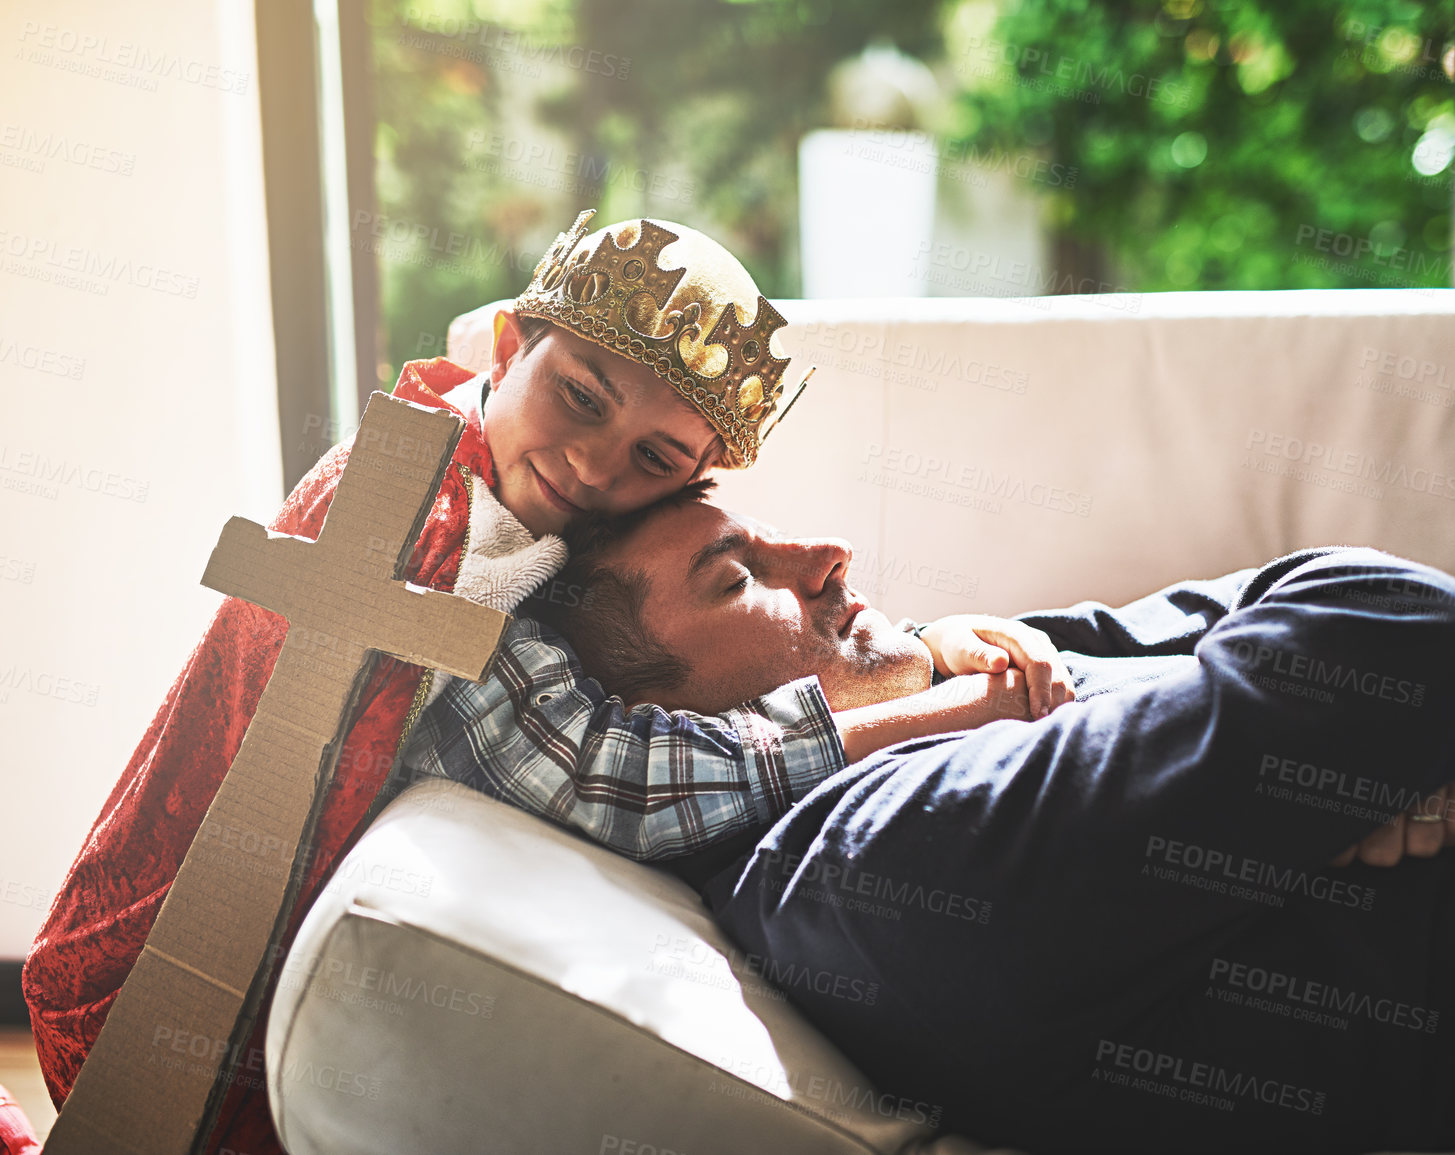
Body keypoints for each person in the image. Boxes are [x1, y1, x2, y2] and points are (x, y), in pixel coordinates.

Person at [9, 211, 1024, 1155]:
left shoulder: (536, 522)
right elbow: (593, 769)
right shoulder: (430, 526)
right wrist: (915, 713)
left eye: (657, 456)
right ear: (507, 344)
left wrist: (914, 649)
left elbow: (719, 663)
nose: (592, 463)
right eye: (580, 396)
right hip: (155, 982)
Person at [423, 491, 1455, 1154]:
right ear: (663, 725)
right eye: (737, 573)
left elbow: (1299, 611)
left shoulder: (952, 708)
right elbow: (1408, 629)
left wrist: (1371, 740)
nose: (822, 553)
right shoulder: (877, 858)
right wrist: (1369, 723)